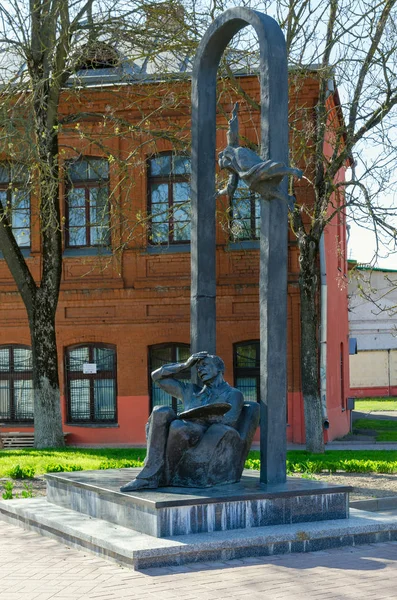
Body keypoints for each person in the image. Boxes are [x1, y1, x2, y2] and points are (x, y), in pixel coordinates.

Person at [120, 351, 244, 491]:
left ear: (219, 368)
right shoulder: (190, 390)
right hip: (182, 427)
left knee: (178, 426)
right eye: (197, 368)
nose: (200, 369)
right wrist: (184, 365)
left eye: (204, 365)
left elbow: (230, 421)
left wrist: (205, 416)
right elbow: (156, 377)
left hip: (205, 434)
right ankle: (148, 475)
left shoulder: (233, 394)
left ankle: (161, 476)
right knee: (160, 411)